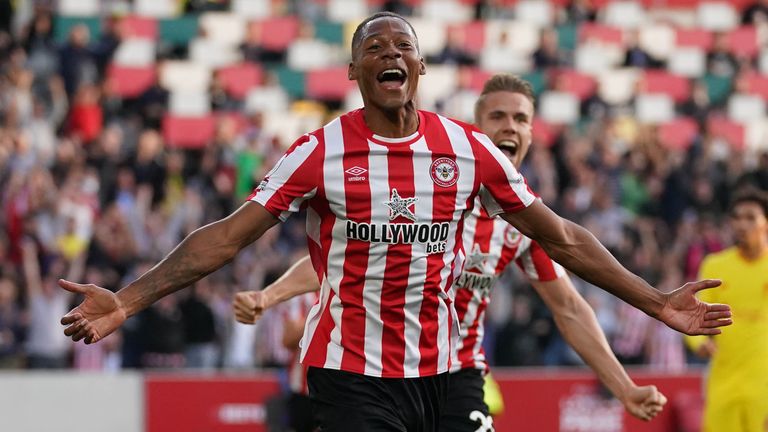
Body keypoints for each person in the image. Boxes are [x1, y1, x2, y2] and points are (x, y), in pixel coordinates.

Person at [60, 12, 731, 431]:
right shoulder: (319, 152)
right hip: (351, 374)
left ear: (419, 66)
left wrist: (653, 301)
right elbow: (226, 238)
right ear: (355, 71)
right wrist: (129, 298)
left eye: (402, 44)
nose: (391, 52)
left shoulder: (465, 150)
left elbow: (561, 237)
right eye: (375, 45)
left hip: (451, 374)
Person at [234, 74, 670, 430]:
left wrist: (624, 387)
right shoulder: (427, 192)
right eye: (497, 116)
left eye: (521, 119)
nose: (509, 127)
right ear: (476, 131)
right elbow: (341, 261)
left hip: (458, 371)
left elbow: (569, 308)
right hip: (374, 368)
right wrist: (270, 296)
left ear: (532, 134)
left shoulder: (522, 228)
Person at [685, 187, 768, 432]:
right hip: (724, 381)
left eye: (750, 217)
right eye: (737, 217)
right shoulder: (715, 265)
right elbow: (694, 312)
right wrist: (699, 342)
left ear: (766, 223)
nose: (742, 224)